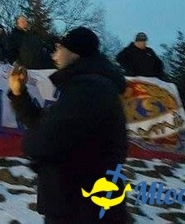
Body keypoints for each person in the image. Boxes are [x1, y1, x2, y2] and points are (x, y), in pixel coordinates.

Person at [8, 27, 128, 223]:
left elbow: (46, 138)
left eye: (59, 47)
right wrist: (19, 95)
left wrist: (29, 144)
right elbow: (47, 125)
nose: (54, 53)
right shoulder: (88, 86)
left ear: (74, 52)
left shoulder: (88, 89)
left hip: (80, 204)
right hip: (81, 201)